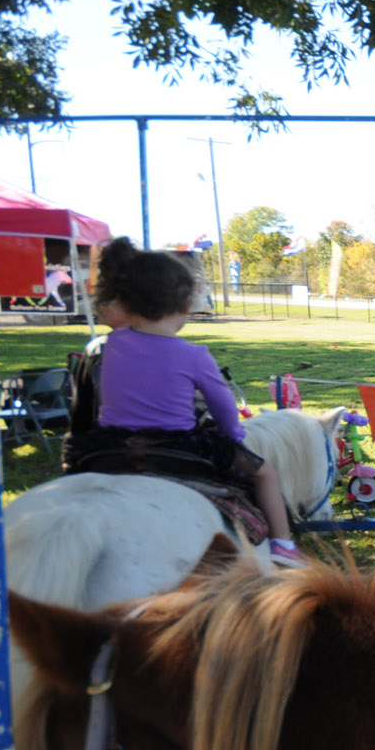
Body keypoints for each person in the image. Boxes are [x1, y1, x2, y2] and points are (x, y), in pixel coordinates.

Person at [90, 239, 306, 567]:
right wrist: (231, 433)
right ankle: (284, 545)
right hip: (179, 447)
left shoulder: (111, 344)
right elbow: (223, 406)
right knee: (265, 474)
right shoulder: (193, 355)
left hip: (110, 445)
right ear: (185, 303)